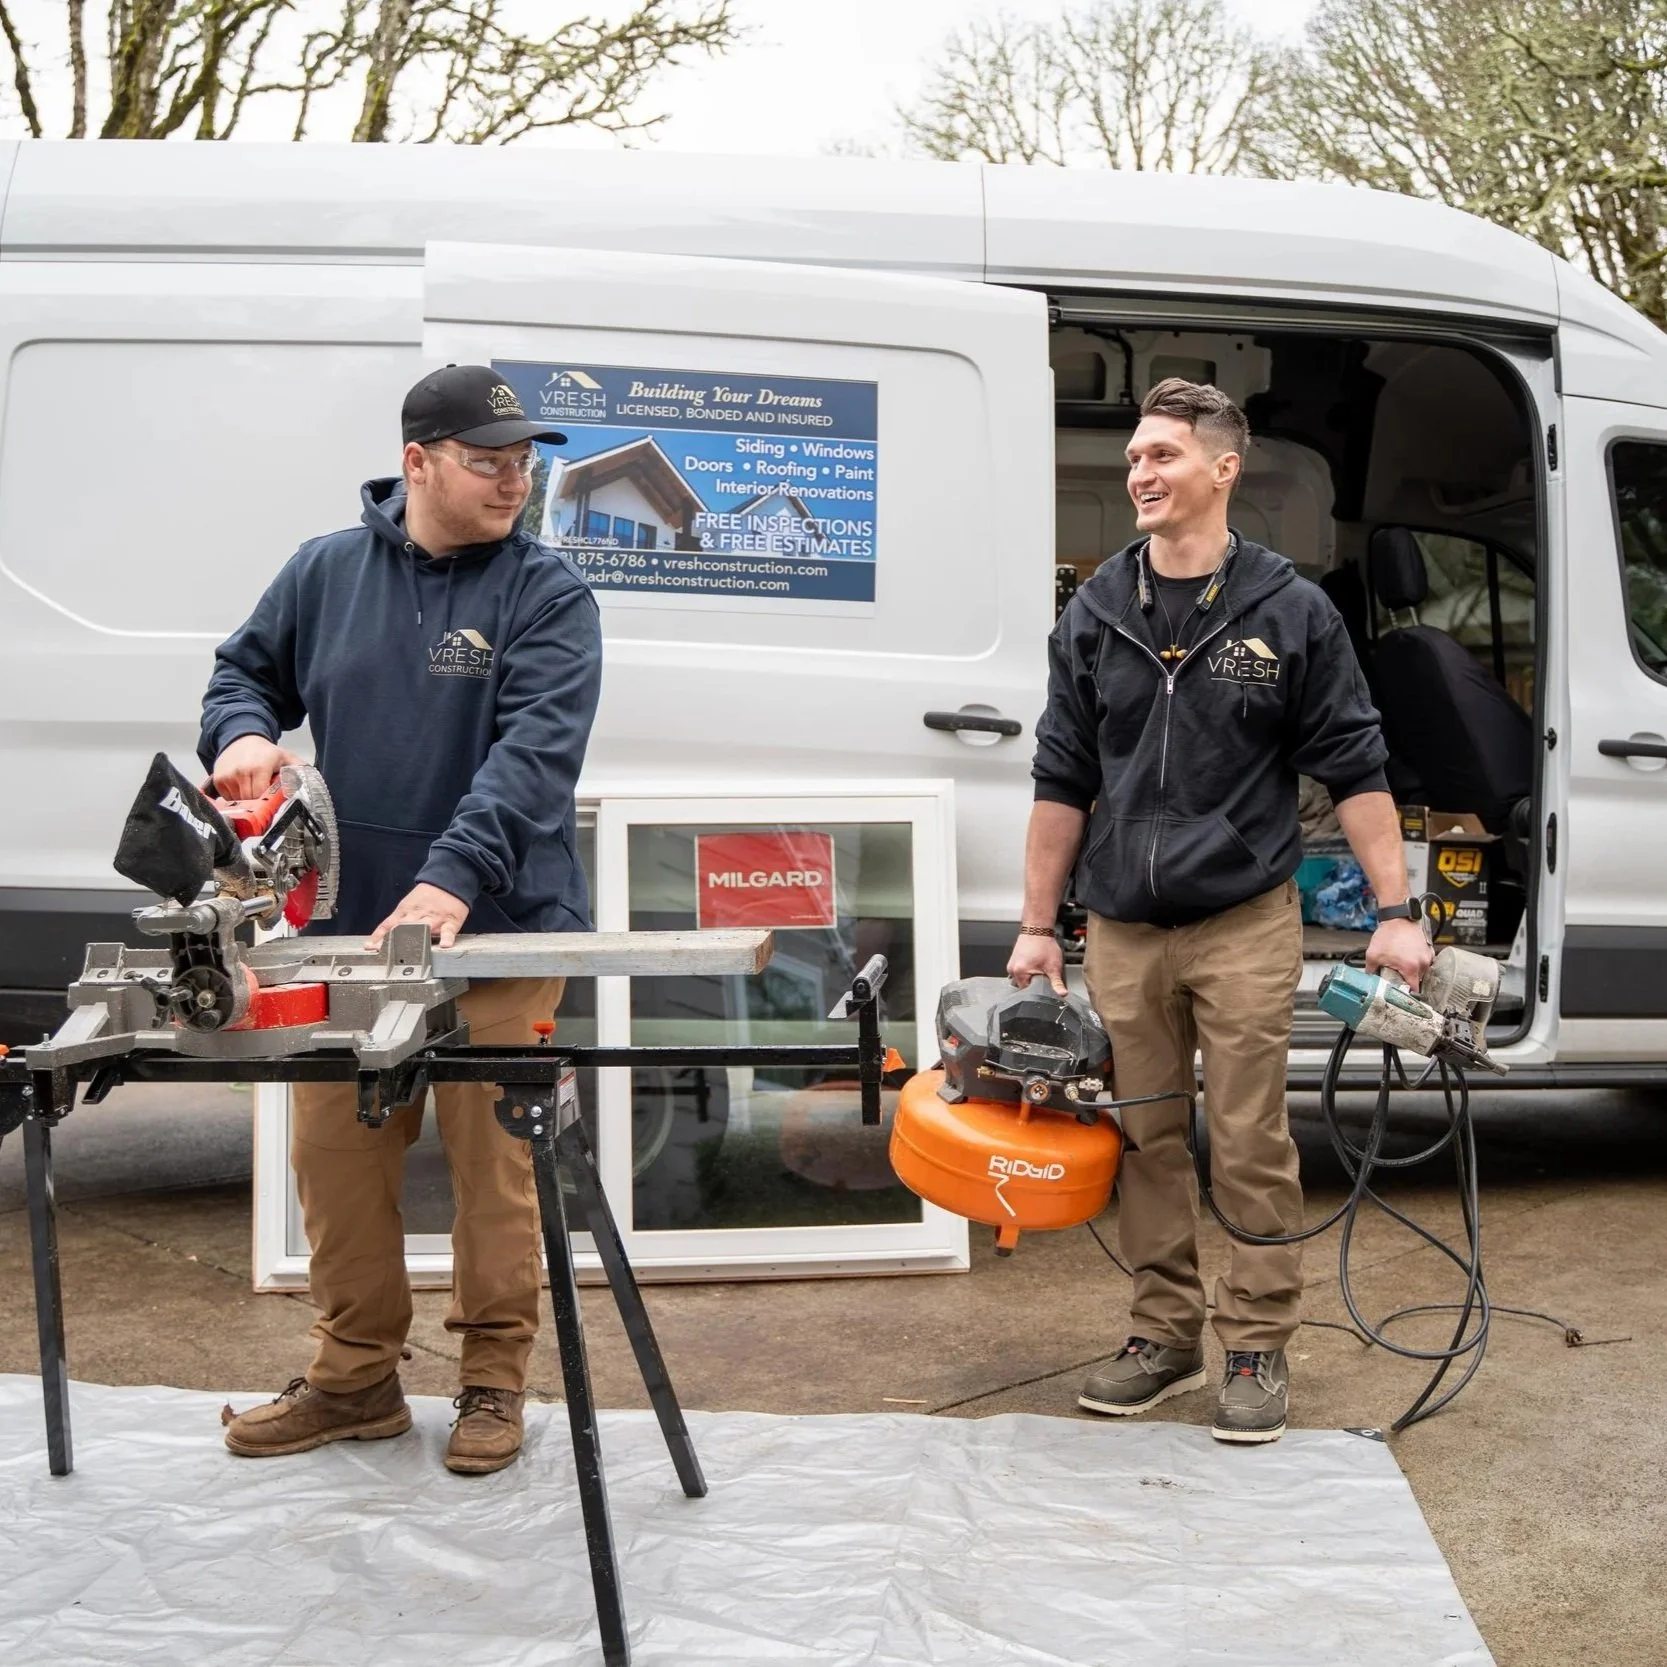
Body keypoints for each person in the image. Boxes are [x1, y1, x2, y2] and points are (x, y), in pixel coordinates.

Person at [1011, 377, 1431, 1445]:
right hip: (1121, 926)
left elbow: (1355, 767)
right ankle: (1163, 1336)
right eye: (1134, 459)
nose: (1139, 474)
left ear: (1223, 468)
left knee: (1246, 1136)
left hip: (1242, 920)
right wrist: (1034, 926)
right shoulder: (1095, 611)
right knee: (1146, 1137)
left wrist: (1395, 908)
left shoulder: (1289, 610)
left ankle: (1255, 1344)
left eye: (1161, 455)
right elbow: (1060, 777)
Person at [207, 364, 602, 1474]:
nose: (515, 482)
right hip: (348, 932)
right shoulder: (324, 572)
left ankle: (492, 1380)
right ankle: (354, 1379)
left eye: (524, 463)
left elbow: (533, 759)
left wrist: (454, 878)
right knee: (336, 1157)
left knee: (494, 1167)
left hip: (500, 926)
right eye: (489, 462)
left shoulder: (547, 594)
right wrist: (242, 732)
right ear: (417, 462)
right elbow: (241, 674)